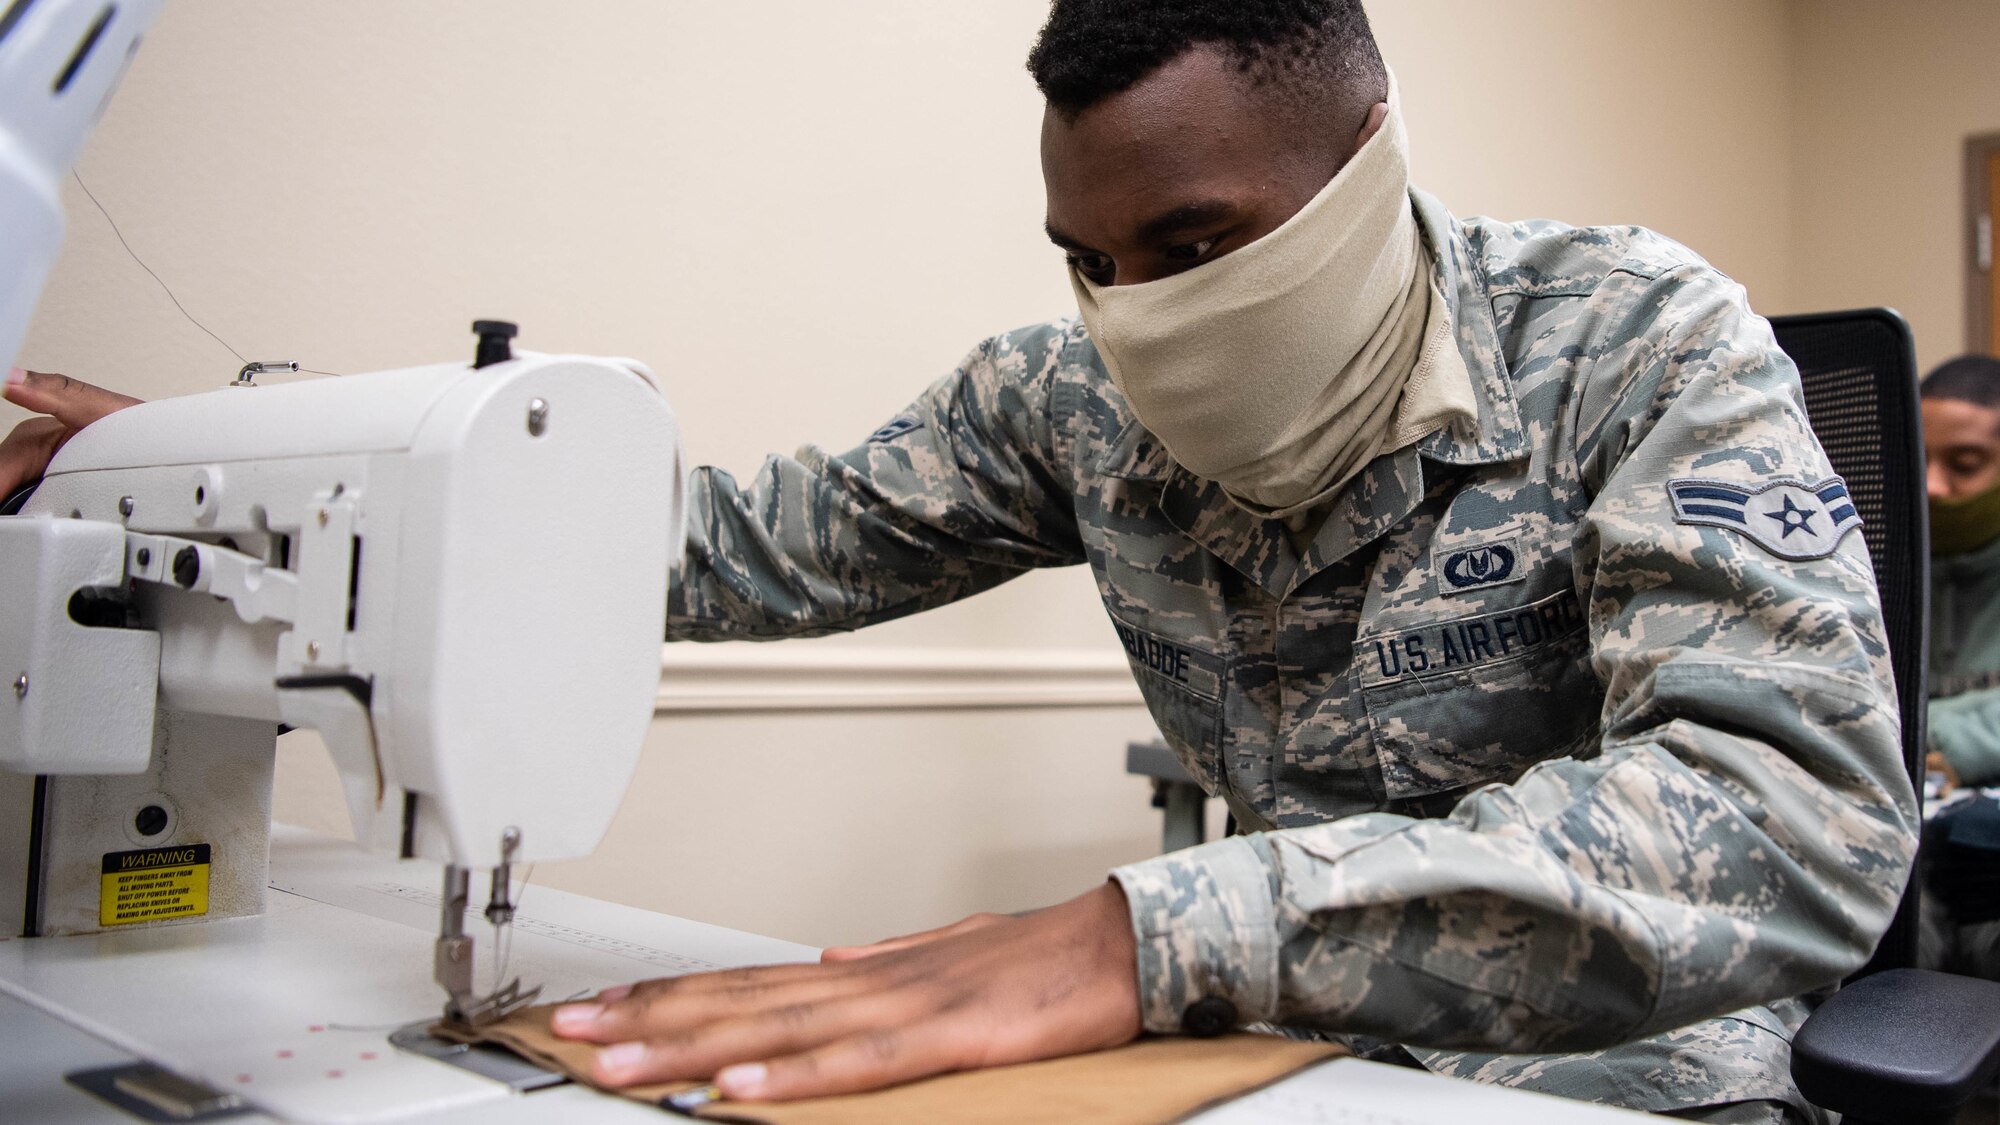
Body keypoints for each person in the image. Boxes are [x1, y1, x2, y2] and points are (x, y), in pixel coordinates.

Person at [0, 3, 1915, 1122]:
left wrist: (1151, 929)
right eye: (1088, 261)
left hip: (1622, 1082)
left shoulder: (1637, 336)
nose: (1136, 313)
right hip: (1272, 1060)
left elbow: (1798, 812)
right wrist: (226, 458)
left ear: (1365, 169)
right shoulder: (1068, 404)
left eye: (1190, 241)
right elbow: (734, 551)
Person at [1917, 354, 2000, 981]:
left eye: (1964, 466)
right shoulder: (1872, 569)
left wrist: (1932, 735)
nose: (1934, 486)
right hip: (1909, 853)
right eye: (1920, 461)